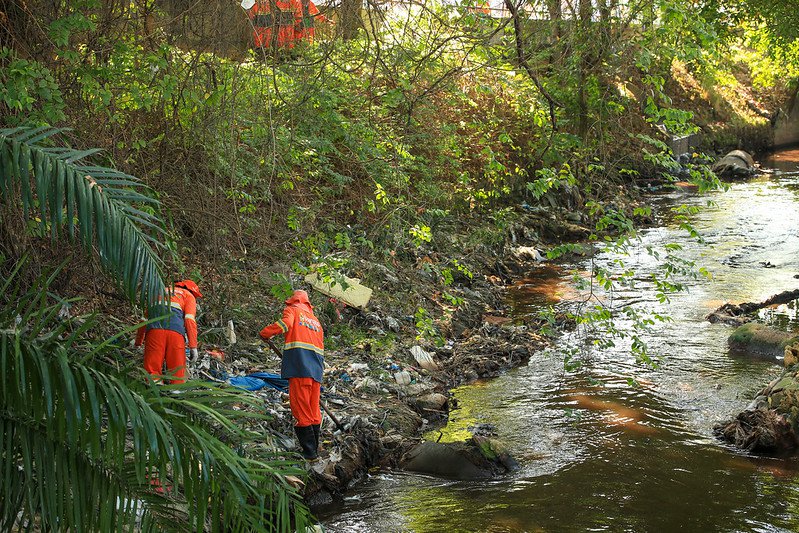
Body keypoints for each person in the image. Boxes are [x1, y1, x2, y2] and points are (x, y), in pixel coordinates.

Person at [260, 290, 324, 460]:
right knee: (313, 409)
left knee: (301, 408)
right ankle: (314, 450)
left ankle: (309, 453)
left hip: (299, 367)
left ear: (293, 301)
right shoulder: (316, 321)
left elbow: (286, 324)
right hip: (316, 370)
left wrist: (266, 333)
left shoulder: (293, 311)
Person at [135, 280, 202, 384]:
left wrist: (138, 343)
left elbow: (144, 320)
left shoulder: (159, 292)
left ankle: (153, 393)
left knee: (152, 372)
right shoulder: (188, 295)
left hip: (154, 331)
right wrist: (193, 347)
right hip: (175, 333)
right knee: (177, 372)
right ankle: (176, 394)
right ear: (193, 292)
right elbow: (189, 320)